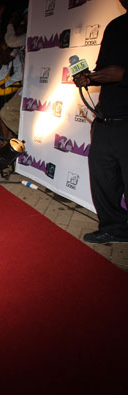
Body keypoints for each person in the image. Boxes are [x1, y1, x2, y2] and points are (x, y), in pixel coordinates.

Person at [73, 0, 128, 244]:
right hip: (106, 120)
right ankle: (114, 228)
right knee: (103, 182)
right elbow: (103, 70)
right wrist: (89, 78)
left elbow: (118, 73)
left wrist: (125, 75)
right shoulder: (115, 26)